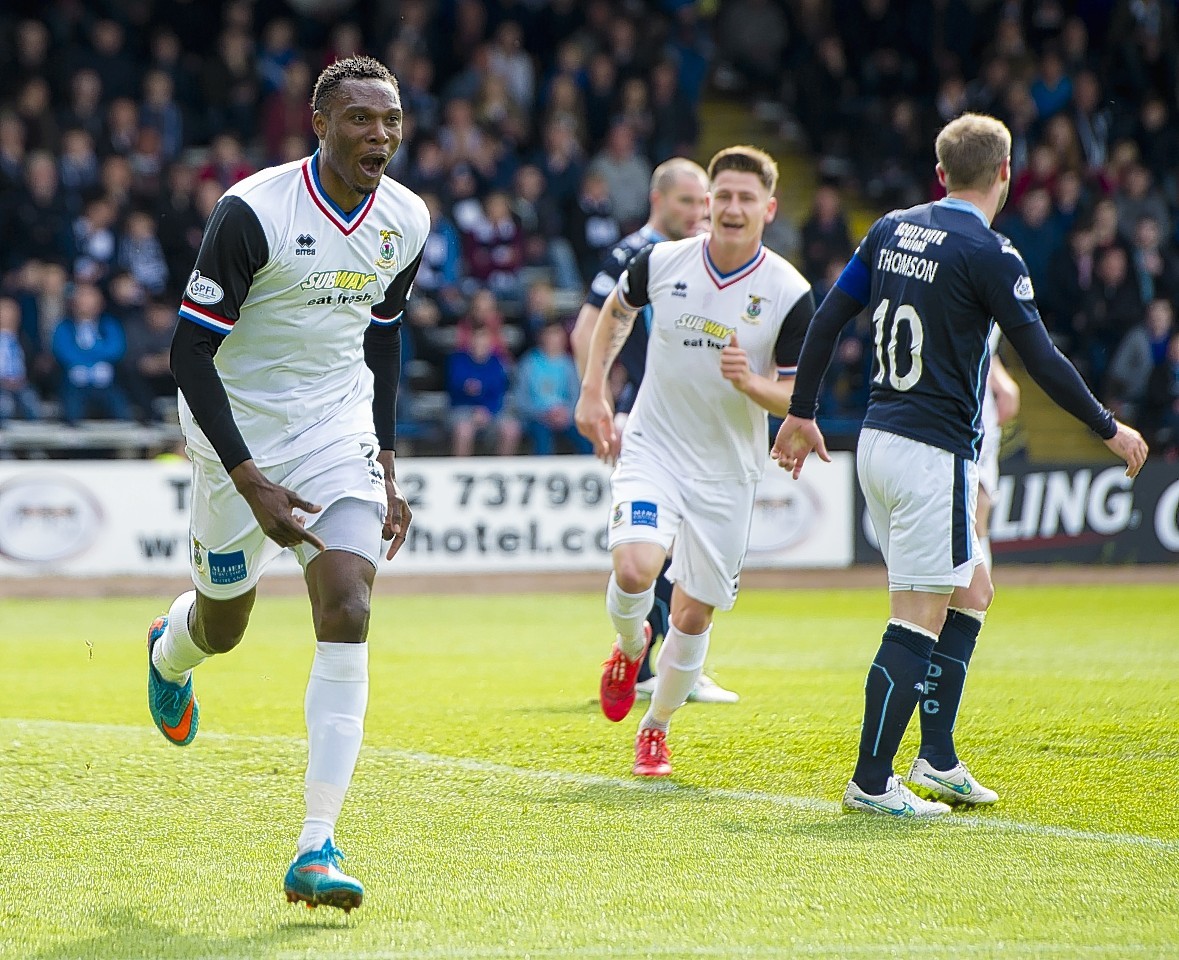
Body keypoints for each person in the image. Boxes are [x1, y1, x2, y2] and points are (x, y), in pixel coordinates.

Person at [772, 113, 1148, 818]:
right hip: (932, 453)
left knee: (970, 591)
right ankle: (871, 780)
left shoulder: (889, 229)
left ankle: (936, 758)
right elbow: (1039, 358)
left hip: (880, 442)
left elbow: (826, 320)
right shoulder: (991, 253)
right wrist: (1106, 426)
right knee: (915, 618)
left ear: (939, 173)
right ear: (1005, 173)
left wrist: (801, 410)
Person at [145, 56, 429, 910]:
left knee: (347, 605)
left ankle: (317, 844)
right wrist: (249, 477)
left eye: (390, 120)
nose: (377, 135)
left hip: (334, 427)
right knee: (222, 626)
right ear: (319, 123)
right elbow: (188, 351)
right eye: (358, 120)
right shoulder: (254, 211)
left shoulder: (406, 220)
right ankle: (169, 648)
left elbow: (382, 339)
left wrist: (383, 457)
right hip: (235, 433)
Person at [575, 145, 816, 777]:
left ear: (769, 207)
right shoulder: (661, 261)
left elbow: (794, 395)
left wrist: (751, 385)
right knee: (633, 569)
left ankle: (655, 728)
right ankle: (630, 648)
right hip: (654, 446)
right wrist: (594, 391)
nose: (732, 208)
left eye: (746, 198)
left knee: (692, 612)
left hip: (727, 470)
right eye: (723, 196)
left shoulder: (789, 292)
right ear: (708, 203)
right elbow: (615, 312)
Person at [570, 157, 737, 706]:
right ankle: (652, 660)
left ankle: (663, 660)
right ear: (657, 200)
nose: (698, 212)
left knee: (681, 545)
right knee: (656, 547)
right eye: (687, 201)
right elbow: (587, 329)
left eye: (702, 201)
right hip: (645, 419)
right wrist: (595, 398)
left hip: (696, 420)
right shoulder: (633, 254)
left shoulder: (699, 254)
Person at [976, 331, 1021, 569]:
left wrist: (1002, 381)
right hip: (950, 413)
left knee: (978, 506)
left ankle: (975, 598)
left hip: (980, 418)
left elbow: (986, 352)